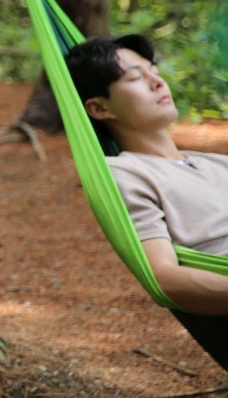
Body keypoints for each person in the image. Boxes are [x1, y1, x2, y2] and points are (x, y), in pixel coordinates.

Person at [66, 34, 228, 317]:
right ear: (99, 108)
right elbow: (163, 277)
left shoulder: (216, 163)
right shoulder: (128, 174)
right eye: (135, 77)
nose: (157, 81)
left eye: (154, 70)